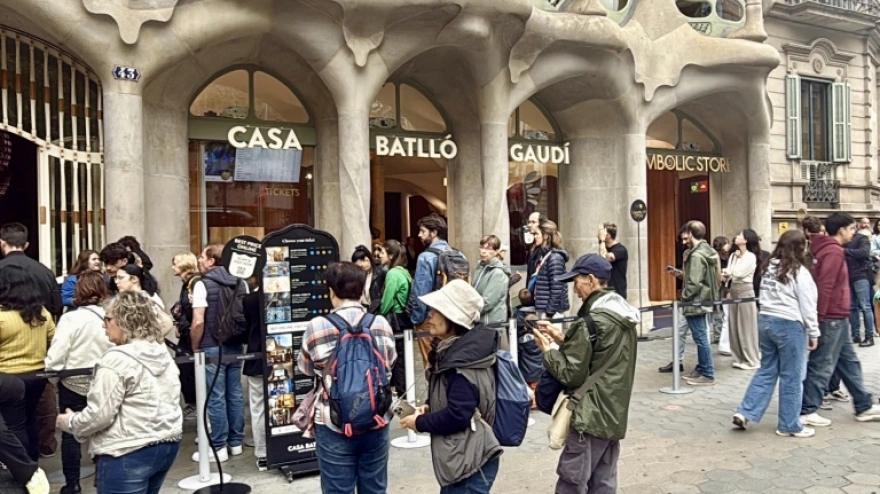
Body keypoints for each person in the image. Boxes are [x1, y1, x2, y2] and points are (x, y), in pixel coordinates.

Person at [56, 291, 182, 494]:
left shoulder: (116, 360)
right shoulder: (160, 352)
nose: (103, 325)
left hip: (128, 450)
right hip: (166, 443)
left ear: (125, 321)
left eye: (107, 319)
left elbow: (99, 415)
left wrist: (70, 422)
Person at [532, 254, 639, 494]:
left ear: (590, 280)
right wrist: (563, 339)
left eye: (576, 281)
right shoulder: (623, 316)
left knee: (572, 482)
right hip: (613, 412)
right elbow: (602, 356)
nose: (575, 289)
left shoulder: (590, 321)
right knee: (603, 483)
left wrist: (548, 351)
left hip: (588, 415)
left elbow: (571, 374)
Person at [297, 262, 396, 494]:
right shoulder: (380, 323)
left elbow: (305, 368)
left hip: (333, 421)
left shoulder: (317, 326)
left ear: (331, 291)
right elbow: (389, 363)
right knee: (375, 488)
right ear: (362, 290)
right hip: (377, 417)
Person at [399, 280, 503, 493]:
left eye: (437, 311)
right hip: (465, 455)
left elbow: (458, 415)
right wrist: (430, 406)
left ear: (453, 318)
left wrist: (420, 422)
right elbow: (455, 399)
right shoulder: (454, 352)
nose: (430, 316)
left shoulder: (461, 362)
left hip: (471, 460)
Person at [732, 230, 819, 438]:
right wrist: (814, 331)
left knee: (767, 369)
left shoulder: (769, 267)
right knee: (792, 376)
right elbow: (807, 304)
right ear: (800, 248)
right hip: (789, 324)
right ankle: (789, 424)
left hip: (766, 320)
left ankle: (746, 411)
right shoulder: (799, 271)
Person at [800, 212, 880, 427]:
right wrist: (819, 319)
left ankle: (863, 405)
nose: (854, 232)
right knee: (822, 364)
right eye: (852, 228)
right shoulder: (833, 252)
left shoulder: (826, 249)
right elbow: (825, 287)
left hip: (839, 316)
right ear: (842, 230)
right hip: (832, 317)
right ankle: (807, 409)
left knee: (849, 362)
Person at [44, 271, 113, 494]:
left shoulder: (70, 319)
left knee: (70, 433)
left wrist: (53, 378)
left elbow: (57, 355)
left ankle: (72, 484)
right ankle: (102, 477)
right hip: (104, 381)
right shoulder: (111, 316)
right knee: (105, 429)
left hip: (73, 382)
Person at [190, 244, 247, 462]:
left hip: (211, 345)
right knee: (235, 394)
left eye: (202, 256)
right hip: (235, 345)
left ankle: (219, 446)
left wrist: (195, 345)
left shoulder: (202, 285)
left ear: (212, 261)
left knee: (215, 396)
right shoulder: (241, 283)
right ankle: (236, 443)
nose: (199, 260)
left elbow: (198, 322)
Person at [0, 265, 56, 460]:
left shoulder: (2, 318)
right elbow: (54, 340)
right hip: (38, 375)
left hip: (8, 378)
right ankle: (33, 460)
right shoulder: (42, 314)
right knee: (30, 418)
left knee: (13, 425)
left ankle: (22, 467)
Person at [411, 214, 457, 365]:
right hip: (454, 318)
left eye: (422, 231)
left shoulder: (426, 257)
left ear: (434, 232)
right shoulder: (457, 254)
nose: (419, 235)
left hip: (432, 319)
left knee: (431, 366)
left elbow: (421, 292)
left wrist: (417, 320)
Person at [680, 221, 720, 386]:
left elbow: (694, 282)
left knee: (701, 338)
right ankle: (703, 368)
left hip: (696, 302)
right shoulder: (707, 251)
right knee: (701, 336)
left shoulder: (696, 255)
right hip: (704, 299)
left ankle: (708, 373)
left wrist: (684, 295)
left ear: (690, 233)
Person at [0, 373, 50, 494]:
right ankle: (29, 471)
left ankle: (30, 473)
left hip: (9, 385)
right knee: (20, 427)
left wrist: (27, 470)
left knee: (13, 430)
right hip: (21, 379)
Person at [0, 222, 63, 318]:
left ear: (2, 243)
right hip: (40, 327)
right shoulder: (45, 271)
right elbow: (57, 307)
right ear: (26, 245)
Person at [377, 239, 412, 395]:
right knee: (403, 355)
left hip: (396, 319)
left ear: (391, 255)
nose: (379, 255)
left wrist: (380, 315)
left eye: (382, 252)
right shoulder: (404, 271)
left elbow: (387, 301)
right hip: (404, 318)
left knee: (397, 357)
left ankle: (401, 389)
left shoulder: (392, 274)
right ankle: (404, 389)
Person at [723, 229, 761, 370]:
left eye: (740, 235)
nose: (737, 236)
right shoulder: (734, 255)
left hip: (745, 290)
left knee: (746, 326)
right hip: (734, 289)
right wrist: (728, 274)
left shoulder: (750, 257)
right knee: (734, 325)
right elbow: (730, 272)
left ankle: (751, 359)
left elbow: (738, 273)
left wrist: (729, 272)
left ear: (745, 240)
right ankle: (738, 357)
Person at [170, 252, 201, 419]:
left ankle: (194, 404)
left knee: (188, 369)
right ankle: (192, 402)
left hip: (190, 333)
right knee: (184, 369)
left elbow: (193, 311)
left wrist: (182, 322)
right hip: (185, 330)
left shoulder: (194, 283)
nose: (172, 267)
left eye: (175, 263)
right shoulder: (187, 283)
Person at [659, 225, 692, 373]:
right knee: (679, 330)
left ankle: (706, 368)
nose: (684, 242)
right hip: (686, 297)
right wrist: (678, 273)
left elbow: (697, 278)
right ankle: (677, 361)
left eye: (686, 238)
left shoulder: (702, 254)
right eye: (682, 239)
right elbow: (689, 276)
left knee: (701, 335)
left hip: (697, 299)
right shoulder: (686, 253)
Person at [242, 277, 267, 471]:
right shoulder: (282, 296)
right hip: (280, 358)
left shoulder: (249, 300)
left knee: (258, 407)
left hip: (256, 356)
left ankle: (262, 452)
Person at [846, 218, 874, 346]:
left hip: (861, 275)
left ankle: (869, 336)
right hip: (848, 276)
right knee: (852, 307)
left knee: (865, 307)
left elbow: (864, 253)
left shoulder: (861, 238)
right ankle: (855, 334)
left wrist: (845, 251)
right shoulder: (844, 240)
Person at [532, 220, 570, 318]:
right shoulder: (543, 255)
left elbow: (557, 289)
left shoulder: (555, 258)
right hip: (544, 309)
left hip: (552, 313)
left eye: (537, 234)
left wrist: (549, 313)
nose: (534, 237)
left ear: (545, 236)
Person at [473, 235, 512, 325]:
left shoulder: (498, 273)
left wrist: (469, 313)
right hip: (481, 322)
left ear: (496, 251)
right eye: (482, 247)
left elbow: (487, 302)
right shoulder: (482, 268)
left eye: (488, 249)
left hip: (490, 323)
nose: (483, 252)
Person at [514, 289, 542, 406]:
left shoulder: (517, 315)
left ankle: (529, 400)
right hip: (538, 372)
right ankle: (536, 401)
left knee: (527, 385)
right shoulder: (541, 340)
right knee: (536, 385)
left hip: (525, 371)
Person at [352, 245, 386, 313]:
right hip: (367, 310)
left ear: (368, 259)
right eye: (358, 267)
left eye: (361, 266)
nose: (361, 268)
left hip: (378, 310)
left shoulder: (381, 271)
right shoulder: (363, 273)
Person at [598, 222, 628, 298]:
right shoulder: (605, 248)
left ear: (607, 235)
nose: (598, 234)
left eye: (601, 232)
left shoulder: (620, 250)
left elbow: (604, 260)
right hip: (606, 292)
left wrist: (602, 240)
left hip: (617, 293)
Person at [712, 236, 731, 353]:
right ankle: (718, 335)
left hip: (725, 286)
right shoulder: (715, 256)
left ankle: (721, 335)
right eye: (726, 243)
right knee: (717, 310)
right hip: (717, 286)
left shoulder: (729, 256)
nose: (728, 246)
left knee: (724, 311)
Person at [525, 211, 549, 282]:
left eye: (533, 222)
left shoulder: (546, 248)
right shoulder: (533, 244)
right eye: (529, 222)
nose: (529, 225)